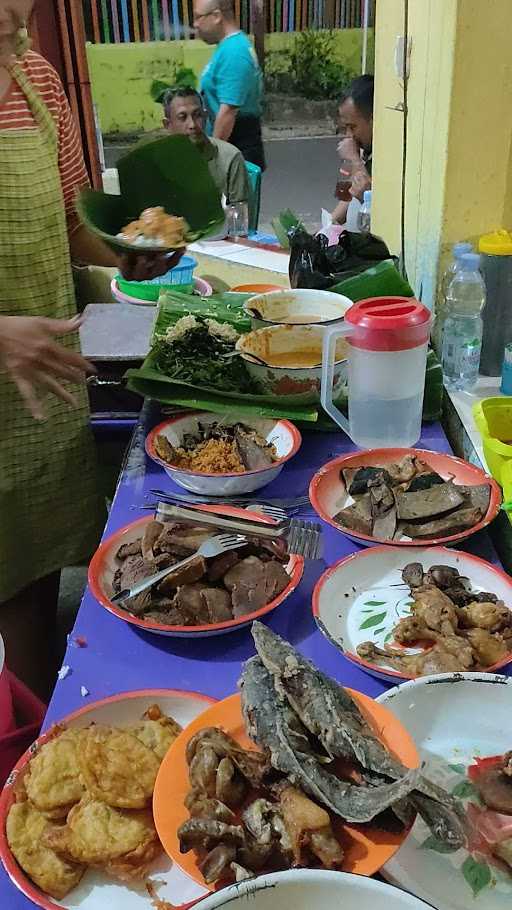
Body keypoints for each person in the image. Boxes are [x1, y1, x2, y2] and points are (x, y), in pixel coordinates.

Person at [0, 1, 180, 699]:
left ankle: (36, 733)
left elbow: (72, 218)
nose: (19, 8)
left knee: (33, 581)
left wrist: (130, 256)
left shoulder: (38, 82)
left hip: (41, 387)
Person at [193, 0, 265, 170]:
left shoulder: (234, 52)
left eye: (198, 17)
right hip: (234, 147)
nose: (195, 24)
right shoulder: (228, 47)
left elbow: (228, 112)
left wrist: (211, 158)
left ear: (217, 16)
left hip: (235, 149)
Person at [162, 86, 249, 205]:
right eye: (182, 117)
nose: (192, 124)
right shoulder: (157, 162)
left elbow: (240, 215)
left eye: (197, 115)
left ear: (205, 117)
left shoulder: (230, 159)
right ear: (168, 124)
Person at [332, 75, 373, 227]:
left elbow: (364, 190)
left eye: (353, 127)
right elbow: (347, 197)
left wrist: (355, 160)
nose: (349, 135)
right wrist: (327, 228)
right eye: (345, 128)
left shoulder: (388, 153)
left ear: (373, 119)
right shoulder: (365, 152)